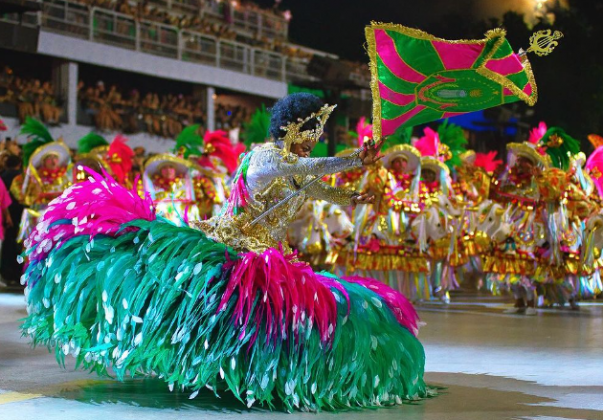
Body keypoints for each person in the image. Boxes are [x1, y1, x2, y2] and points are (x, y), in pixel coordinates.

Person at [21, 93, 429, 411]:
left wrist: (355, 194)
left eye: (317, 137)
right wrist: (354, 158)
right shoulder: (268, 159)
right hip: (232, 247)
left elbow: (320, 188)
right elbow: (304, 172)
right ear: (292, 129)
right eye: (311, 134)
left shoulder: (296, 164)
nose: (314, 142)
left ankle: (251, 373)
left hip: (270, 254)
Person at [0, 153, 24, 286]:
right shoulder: (22, 177)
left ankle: (6, 272)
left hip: (5, 217)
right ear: (19, 164)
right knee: (18, 244)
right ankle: (17, 273)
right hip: (20, 215)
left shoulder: (2, 177)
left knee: (6, 246)